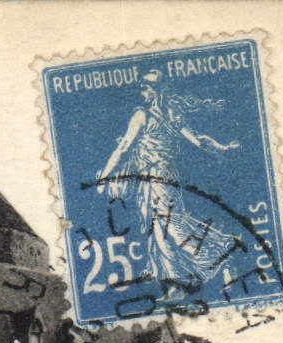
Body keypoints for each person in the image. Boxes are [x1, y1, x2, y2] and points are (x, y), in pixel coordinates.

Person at [94, 69, 241, 288]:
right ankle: (174, 280)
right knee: (158, 229)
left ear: (155, 91)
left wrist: (104, 177)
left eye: (147, 87)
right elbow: (200, 141)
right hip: (154, 177)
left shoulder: (146, 115)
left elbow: (124, 147)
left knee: (174, 227)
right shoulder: (166, 114)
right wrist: (223, 147)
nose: (143, 90)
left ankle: (224, 255)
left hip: (160, 177)